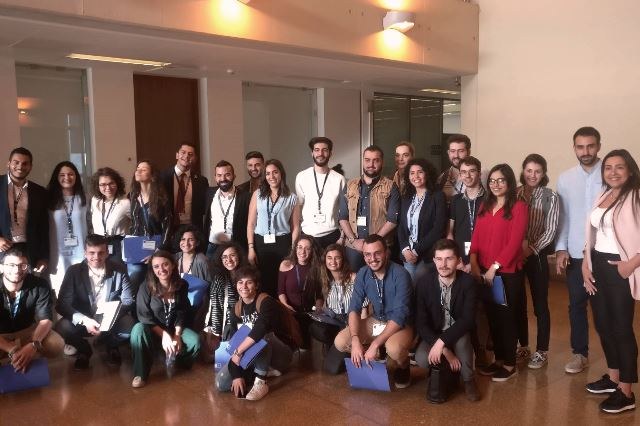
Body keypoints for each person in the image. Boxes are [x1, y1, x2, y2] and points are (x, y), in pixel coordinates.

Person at [582, 149, 640, 414]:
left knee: (621, 329)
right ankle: (613, 378)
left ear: (630, 170)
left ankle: (626, 393)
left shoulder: (635, 196)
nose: (613, 172)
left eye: (619, 167)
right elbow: (593, 233)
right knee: (603, 325)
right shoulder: (603, 194)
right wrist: (586, 262)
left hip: (620, 267)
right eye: (608, 167)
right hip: (597, 264)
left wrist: (631, 264)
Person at [470, 164, 528, 382]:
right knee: (492, 317)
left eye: (501, 180)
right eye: (492, 181)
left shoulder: (519, 207)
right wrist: (474, 263)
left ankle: (510, 364)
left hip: (506, 273)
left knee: (507, 318)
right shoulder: (485, 205)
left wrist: (494, 267)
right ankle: (499, 359)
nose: (496, 184)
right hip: (483, 271)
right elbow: (476, 237)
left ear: (510, 182)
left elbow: (514, 243)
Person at [332, 235, 414, 388]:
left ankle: (403, 365)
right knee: (341, 341)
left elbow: (399, 316)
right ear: (363, 256)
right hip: (377, 319)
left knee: (395, 349)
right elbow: (354, 309)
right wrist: (355, 339)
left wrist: (375, 343)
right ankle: (376, 357)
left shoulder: (401, 274)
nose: (373, 259)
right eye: (368, 254)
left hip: (400, 324)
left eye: (377, 253)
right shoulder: (362, 274)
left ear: (386, 252)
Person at [555, 126, 603, 374]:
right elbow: (563, 217)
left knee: (605, 308)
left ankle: (614, 359)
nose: (585, 152)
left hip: (605, 254)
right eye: (580, 147)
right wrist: (561, 248)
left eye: (590, 146)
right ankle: (579, 354)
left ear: (599, 146)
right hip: (574, 253)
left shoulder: (610, 174)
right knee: (576, 305)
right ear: (574, 148)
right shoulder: (565, 179)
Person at [55, 234, 135, 369]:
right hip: (84, 317)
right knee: (61, 328)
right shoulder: (73, 271)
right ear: (85, 253)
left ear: (107, 252)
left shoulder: (119, 269)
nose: (96, 257)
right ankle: (84, 349)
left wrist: (108, 320)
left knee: (130, 325)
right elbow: (62, 304)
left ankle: (111, 345)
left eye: (101, 253)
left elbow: (128, 300)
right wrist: (85, 320)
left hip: (110, 317)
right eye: (92, 253)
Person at [215, 265, 294, 401]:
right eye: (240, 282)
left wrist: (238, 352)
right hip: (252, 352)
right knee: (221, 383)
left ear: (256, 285)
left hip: (280, 355)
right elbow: (235, 342)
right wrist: (236, 375)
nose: (244, 286)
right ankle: (258, 371)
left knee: (264, 336)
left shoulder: (266, 302)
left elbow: (260, 329)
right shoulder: (236, 309)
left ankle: (261, 382)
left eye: (249, 282)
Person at [415, 239, 479, 402]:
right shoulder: (424, 283)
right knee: (421, 358)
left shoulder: (468, 283)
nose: (443, 264)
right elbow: (421, 323)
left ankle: (468, 379)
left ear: (458, 261)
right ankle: (448, 372)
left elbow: (467, 320)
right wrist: (444, 350)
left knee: (463, 342)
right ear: (434, 260)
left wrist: (441, 342)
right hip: (434, 333)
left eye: (449, 259)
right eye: (439, 259)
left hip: (458, 331)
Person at [130, 251, 200, 388]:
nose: (161, 269)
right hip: (152, 329)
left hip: (174, 328)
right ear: (152, 269)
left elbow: (182, 311)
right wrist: (164, 335)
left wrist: (177, 335)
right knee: (138, 330)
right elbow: (144, 316)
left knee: (195, 341)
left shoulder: (182, 285)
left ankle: (178, 361)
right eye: (156, 266)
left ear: (173, 265)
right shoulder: (145, 287)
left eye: (165, 264)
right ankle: (140, 374)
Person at [515, 154, 559, 369]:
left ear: (544, 173)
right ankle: (523, 345)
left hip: (537, 255)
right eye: (529, 170)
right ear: (523, 171)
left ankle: (542, 350)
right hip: (515, 255)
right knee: (518, 302)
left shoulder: (551, 196)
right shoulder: (514, 193)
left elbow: (551, 230)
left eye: (537, 171)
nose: (532, 175)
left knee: (540, 304)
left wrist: (530, 250)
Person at [447, 156, 490, 367]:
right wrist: (457, 262)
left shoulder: (490, 199)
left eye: (472, 171)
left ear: (479, 173)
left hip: (485, 262)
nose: (468, 176)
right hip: (461, 262)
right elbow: (450, 232)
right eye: (464, 172)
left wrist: (475, 265)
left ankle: (482, 350)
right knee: (466, 307)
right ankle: (468, 348)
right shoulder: (456, 201)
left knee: (484, 309)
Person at [0, 247, 63, 372]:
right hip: (1, 335)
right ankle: (18, 358)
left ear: (27, 267)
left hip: (27, 332)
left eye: (22, 265)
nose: (17, 270)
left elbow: (46, 320)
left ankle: (28, 356)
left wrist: (34, 344)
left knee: (56, 344)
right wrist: (12, 349)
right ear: (1, 267)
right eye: (11, 265)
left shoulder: (40, 284)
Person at [338, 146, 401, 271]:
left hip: (380, 247)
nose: (371, 164)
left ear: (382, 162)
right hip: (354, 247)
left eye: (375, 160)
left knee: (382, 279)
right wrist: (353, 241)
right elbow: (343, 217)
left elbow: (392, 220)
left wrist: (373, 243)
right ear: (363, 161)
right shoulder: (350, 185)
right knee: (355, 279)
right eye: (367, 160)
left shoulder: (391, 186)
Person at [247, 159, 300, 297]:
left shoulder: (292, 198)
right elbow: (251, 223)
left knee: (281, 281)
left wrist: (293, 249)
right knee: (263, 280)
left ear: (281, 173)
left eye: (275, 172)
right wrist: (251, 248)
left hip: (283, 243)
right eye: (268, 173)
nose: (271, 176)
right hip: (261, 243)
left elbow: (295, 227)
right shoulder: (257, 194)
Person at [397, 158, 447, 281]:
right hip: (408, 253)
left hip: (427, 254)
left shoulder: (438, 196)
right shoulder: (406, 198)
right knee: (409, 286)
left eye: (420, 172)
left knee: (421, 285)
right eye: (412, 173)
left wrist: (416, 251)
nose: (416, 176)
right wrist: (405, 249)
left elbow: (438, 229)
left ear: (427, 174)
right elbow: (401, 226)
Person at [0, 147, 49, 272]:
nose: (20, 166)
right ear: (8, 163)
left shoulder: (39, 192)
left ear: (30, 167)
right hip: (2, 247)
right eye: (16, 162)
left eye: (25, 163)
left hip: (29, 249)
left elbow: (43, 227)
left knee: (27, 282)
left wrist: (44, 257)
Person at [127, 160, 172, 292]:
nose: (138, 171)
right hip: (136, 247)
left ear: (152, 176)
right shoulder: (132, 197)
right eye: (137, 168)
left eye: (143, 169)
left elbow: (167, 226)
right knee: (135, 275)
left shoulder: (161, 198)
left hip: (157, 247)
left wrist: (159, 250)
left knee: (154, 283)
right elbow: (132, 224)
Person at [294, 137, 346, 249]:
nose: (320, 154)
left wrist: (342, 237)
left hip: (332, 235)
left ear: (330, 153)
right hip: (307, 235)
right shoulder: (301, 177)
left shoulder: (339, 179)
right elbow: (298, 207)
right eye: (317, 150)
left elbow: (345, 212)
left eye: (324, 150)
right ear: (312, 153)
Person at [47, 161, 88, 295]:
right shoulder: (49, 199)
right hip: (57, 252)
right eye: (62, 175)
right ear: (56, 177)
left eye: (71, 174)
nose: (67, 178)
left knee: (81, 288)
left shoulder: (84, 198)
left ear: (76, 176)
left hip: (80, 250)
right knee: (61, 291)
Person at [309, 244, 360, 346]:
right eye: (329, 258)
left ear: (343, 260)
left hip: (352, 320)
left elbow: (365, 307)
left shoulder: (353, 277)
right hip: (334, 321)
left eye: (337, 258)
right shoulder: (326, 280)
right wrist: (319, 310)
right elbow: (322, 301)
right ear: (325, 260)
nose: (333, 261)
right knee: (316, 328)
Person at [278, 234, 322, 349]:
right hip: (290, 312)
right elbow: (281, 291)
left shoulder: (317, 267)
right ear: (295, 248)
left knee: (307, 347)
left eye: (307, 248)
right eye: (300, 247)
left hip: (309, 313)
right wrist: (285, 306)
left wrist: (318, 308)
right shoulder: (285, 265)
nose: (302, 251)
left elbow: (319, 294)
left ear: (312, 251)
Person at [203, 242, 246, 356]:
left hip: (246, 323)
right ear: (220, 260)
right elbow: (215, 307)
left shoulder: (247, 275)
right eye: (225, 257)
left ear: (239, 256)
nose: (229, 260)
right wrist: (217, 332)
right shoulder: (219, 279)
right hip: (227, 325)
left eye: (232, 255)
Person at [159, 143, 209, 235]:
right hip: (168, 228)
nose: (186, 156)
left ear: (195, 158)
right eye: (183, 152)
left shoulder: (201, 181)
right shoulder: (162, 177)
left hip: (192, 229)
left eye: (190, 154)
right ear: (177, 155)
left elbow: (203, 208)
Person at [204, 160, 250, 257]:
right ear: (215, 177)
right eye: (219, 175)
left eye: (227, 175)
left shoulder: (245, 197)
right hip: (212, 248)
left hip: (235, 247)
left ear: (234, 176)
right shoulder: (209, 193)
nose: (223, 179)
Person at [174, 225, 212, 331]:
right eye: (183, 239)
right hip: (177, 301)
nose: (186, 243)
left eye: (191, 240)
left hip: (196, 305)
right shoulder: (174, 258)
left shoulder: (202, 261)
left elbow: (209, 287)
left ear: (197, 242)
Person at [88, 167, 131, 261]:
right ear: (98, 186)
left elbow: (137, 224)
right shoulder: (95, 200)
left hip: (118, 245)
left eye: (111, 183)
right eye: (103, 184)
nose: (108, 188)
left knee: (116, 269)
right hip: (97, 244)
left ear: (117, 183)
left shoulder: (125, 203)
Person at [436, 134, 472, 203]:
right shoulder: (442, 178)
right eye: (453, 151)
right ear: (448, 153)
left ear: (469, 152)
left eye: (461, 151)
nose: (456, 155)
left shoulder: (481, 174)